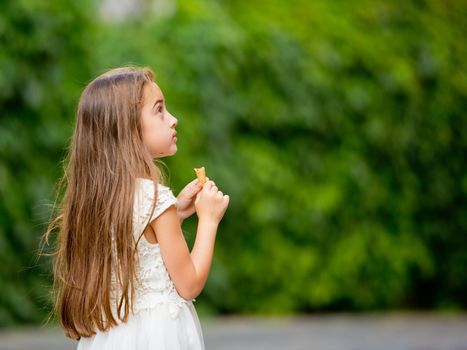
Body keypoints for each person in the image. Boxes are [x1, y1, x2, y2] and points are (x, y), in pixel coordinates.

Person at [44, 66, 230, 350]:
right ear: (129, 129)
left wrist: (176, 213)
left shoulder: (101, 198)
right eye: (159, 111)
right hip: (158, 337)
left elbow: (137, 245)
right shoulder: (155, 198)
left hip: (113, 336)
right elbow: (189, 284)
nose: (173, 119)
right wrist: (209, 220)